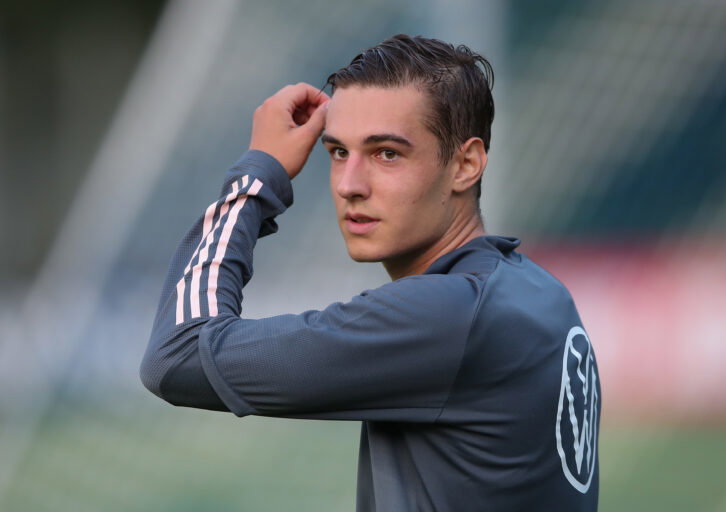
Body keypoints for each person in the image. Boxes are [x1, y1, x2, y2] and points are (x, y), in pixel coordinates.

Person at [141, 34, 601, 511]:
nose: (349, 185)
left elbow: (176, 358)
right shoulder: (541, 293)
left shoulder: (445, 315)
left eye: (386, 154)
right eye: (338, 152)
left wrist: (258, 176)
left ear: (466, 164)